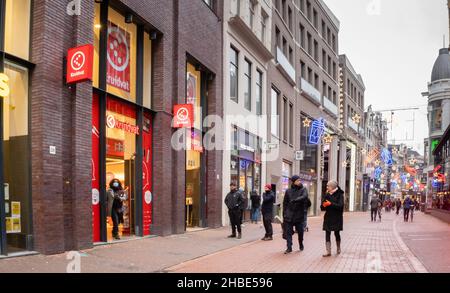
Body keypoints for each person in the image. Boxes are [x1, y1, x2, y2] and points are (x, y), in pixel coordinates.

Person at [283, 175, 308, 254]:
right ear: (293, 182)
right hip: (289, 214)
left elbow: (304, 196)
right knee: (288, 232)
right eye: (297, 180)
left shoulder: (303, 189)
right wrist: (284, 213)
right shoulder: (288, 191)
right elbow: (285, 203)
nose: (299, 182)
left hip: (299, 214)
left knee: (300, 232)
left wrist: (295, 200)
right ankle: (289, 247)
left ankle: (301, 244)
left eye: (299, 180)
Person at [321, 180, 344, 257]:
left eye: (328, 186)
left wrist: (330, 204)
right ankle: (328, 251)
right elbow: (322, 206)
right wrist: (323, 205)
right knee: (327, 233)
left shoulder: (340, 194)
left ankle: (338, 247)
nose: (327, 187)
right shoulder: (327, 195)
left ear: (333, 187)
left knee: (336, 233)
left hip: (337, 217)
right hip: (328, 217)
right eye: (327, 186)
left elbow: (340, 206)